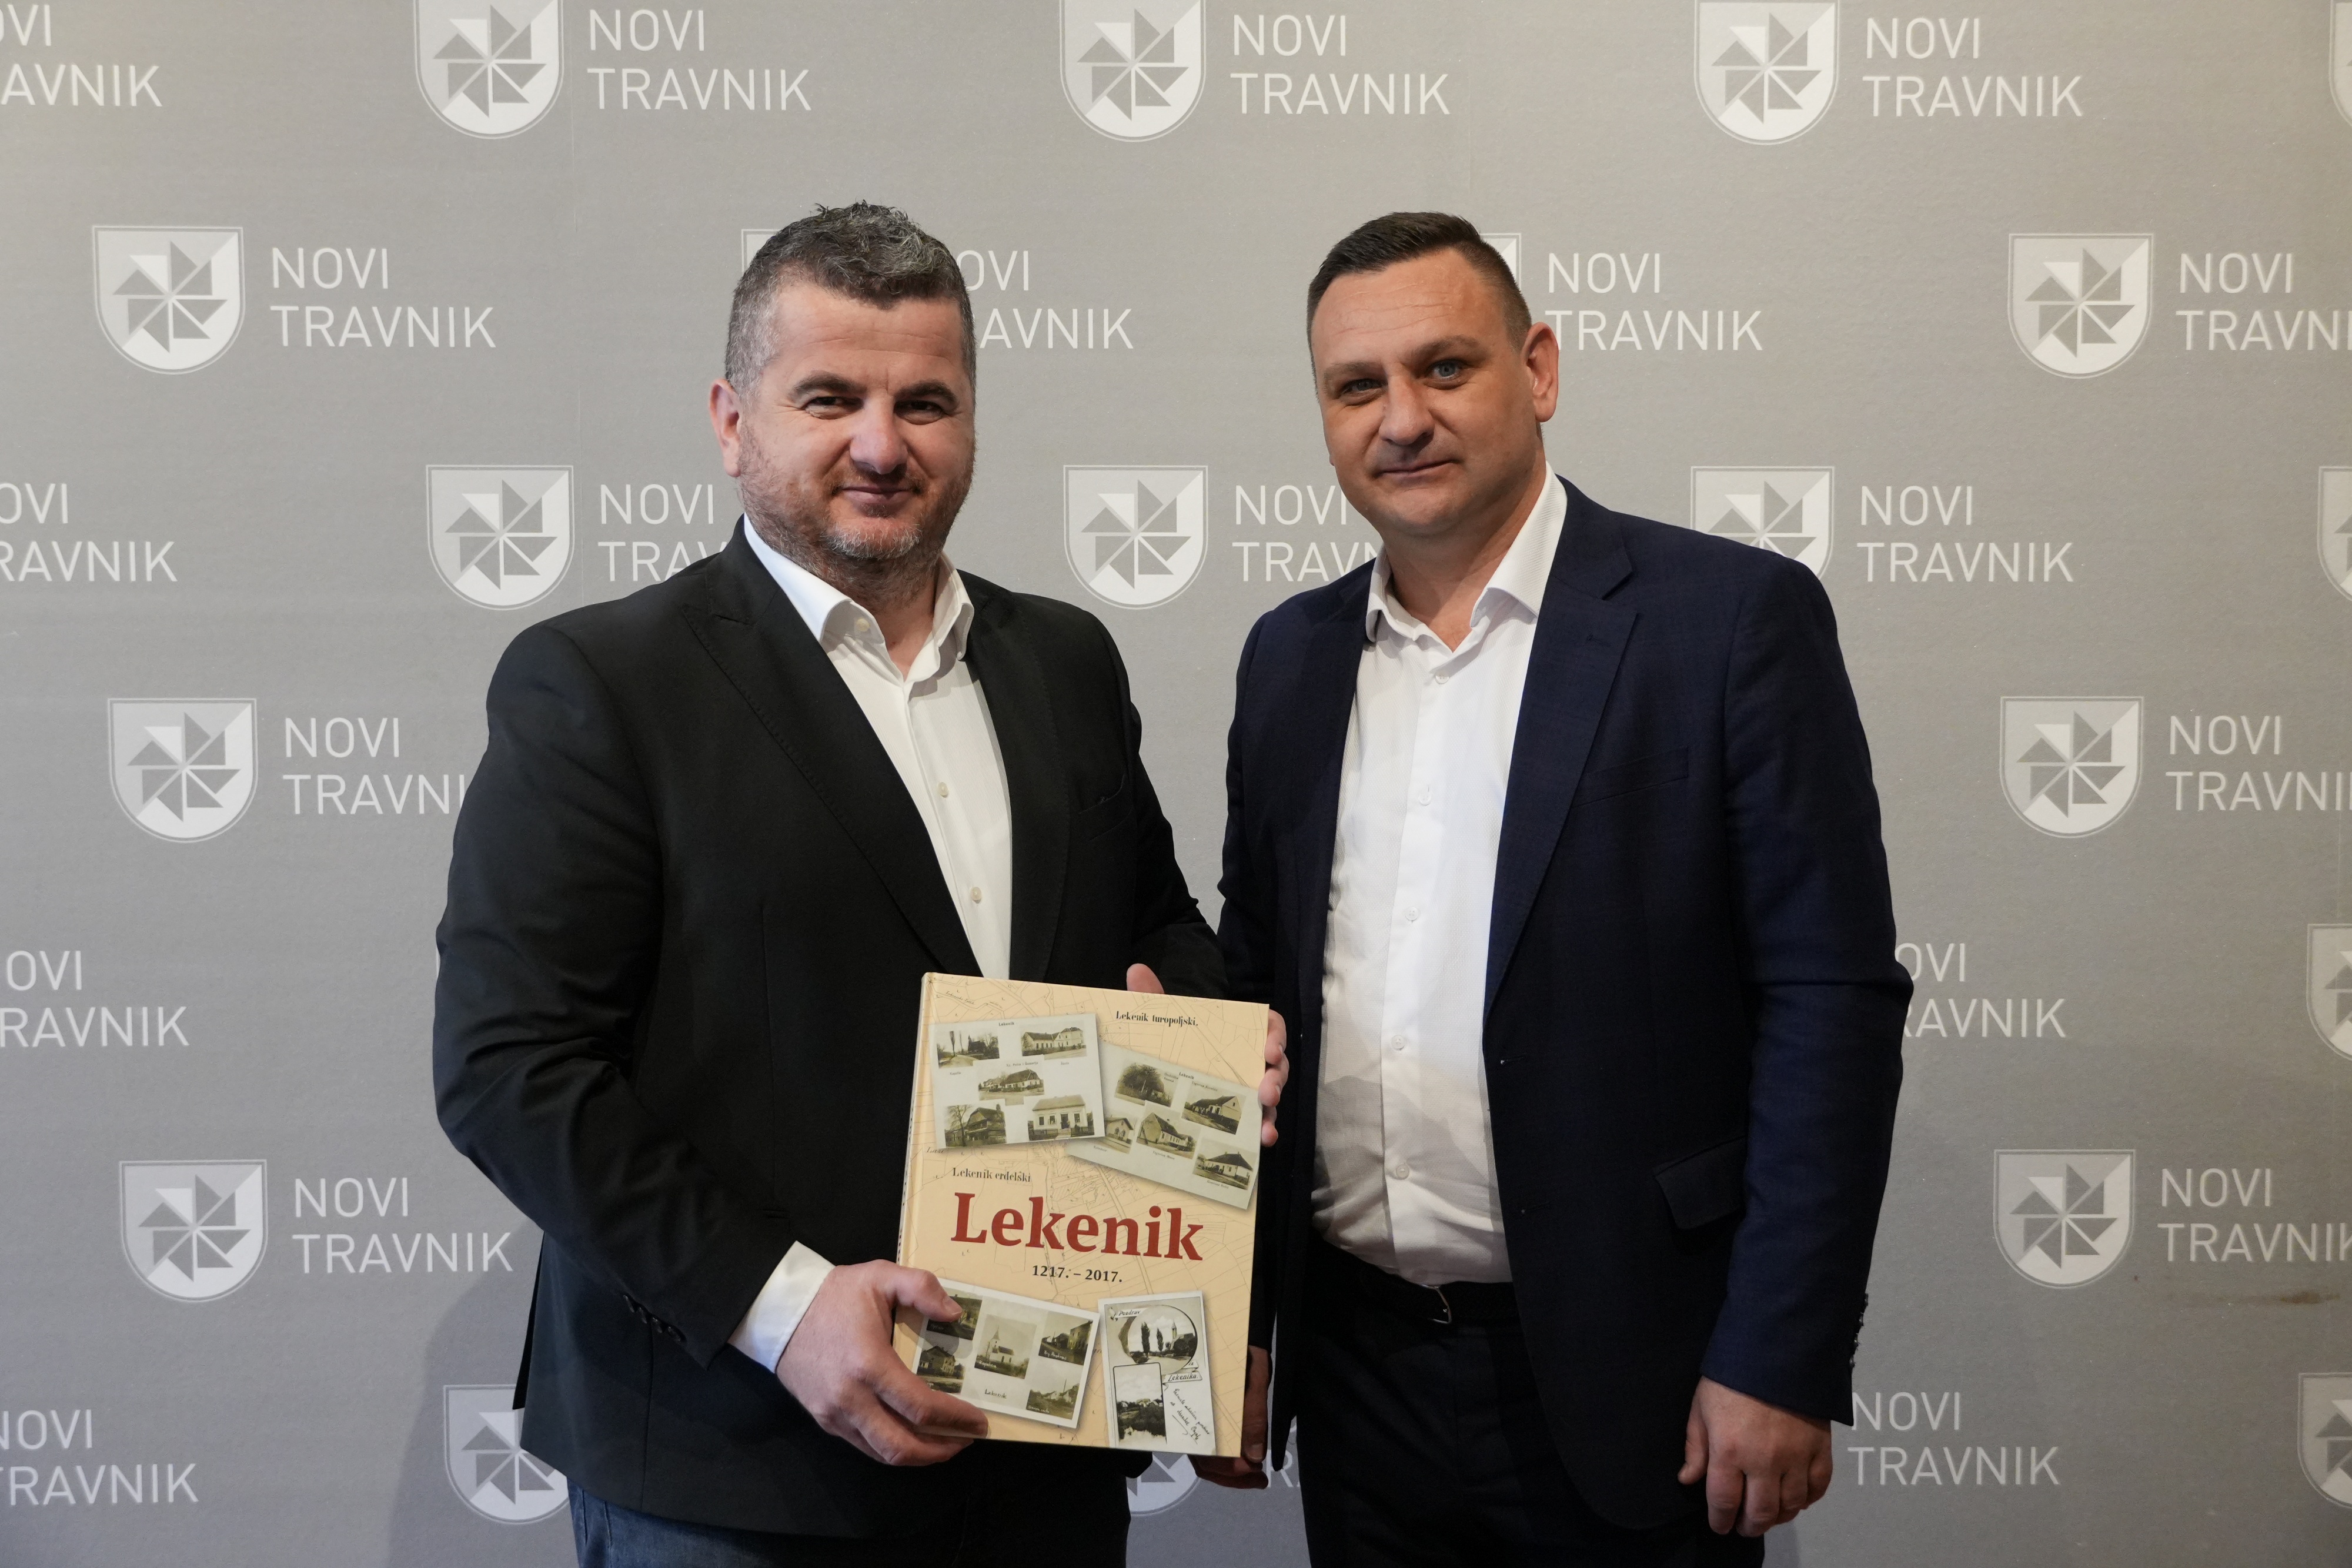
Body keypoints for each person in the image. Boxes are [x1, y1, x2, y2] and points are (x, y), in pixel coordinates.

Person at [433, 202, 1283, 1568]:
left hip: (1043, 1442)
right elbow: (509, 1068)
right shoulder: (603, 682)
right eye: (829, 397)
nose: (882, 445)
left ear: (970, 422)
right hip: (733, 1471)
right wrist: (781, 1308)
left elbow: (1151, 924)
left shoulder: (1064, 660)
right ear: (732, 421)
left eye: (923, 403)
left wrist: (1205, 1051)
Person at [1203, 212, 1909, 1564]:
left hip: (1631, 1370)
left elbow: (1828, 1002)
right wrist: (1220, 1316)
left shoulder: (1727, 623)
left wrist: (1779, 1349)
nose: (1400, 419)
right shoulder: (1286, 658)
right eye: (1355, 386)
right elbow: (1254, 997)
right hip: (1354, 1378)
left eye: (1443, 368)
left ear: (1536, 369)